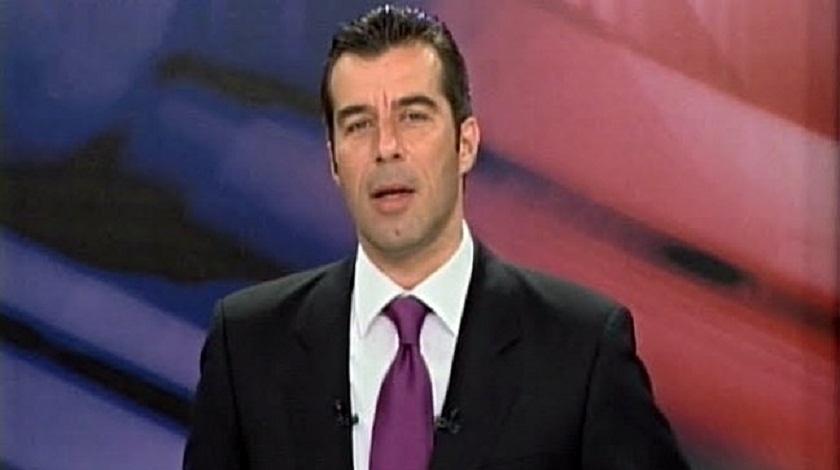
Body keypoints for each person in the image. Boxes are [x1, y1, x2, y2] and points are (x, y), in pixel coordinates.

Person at [184, 5, 689, 470]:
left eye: (413, 117)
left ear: (465, 144)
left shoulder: (580, 349)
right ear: (334, 159)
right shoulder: (247, 346)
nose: (386, 147)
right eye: (358, 125)